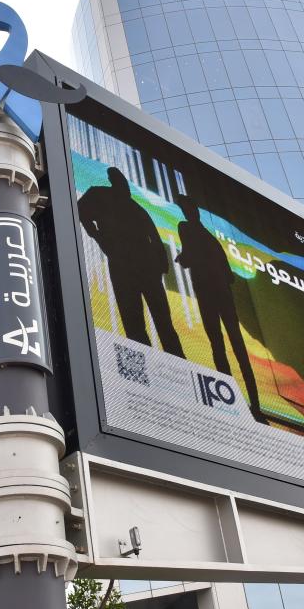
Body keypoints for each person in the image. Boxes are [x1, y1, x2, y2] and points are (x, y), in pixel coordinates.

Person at [77, 167, 184, 358]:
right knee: (133, 323)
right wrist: (97, 235)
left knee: (163, 321)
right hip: (122, 266)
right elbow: (79, 210)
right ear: (112, 180)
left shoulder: (135, 207)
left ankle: (178, 364)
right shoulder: (99, 195)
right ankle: (141, 373)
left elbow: (155, 236)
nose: (123, 185)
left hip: (147, 268)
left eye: (124, 182)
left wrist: (161, 264)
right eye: (118, 180)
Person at [174, 195, 263, 420]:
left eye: (188, 208)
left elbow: (190, 255)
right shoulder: (210, 239)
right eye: (185, 209)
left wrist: (183, 259)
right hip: (220, 294)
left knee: (222, 344)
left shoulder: (187, 229)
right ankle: (245, 401)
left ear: (193, 211)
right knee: (228, 344)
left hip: (210, 294)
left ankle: (241, 401)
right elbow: (229, 276)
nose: (186, 213)